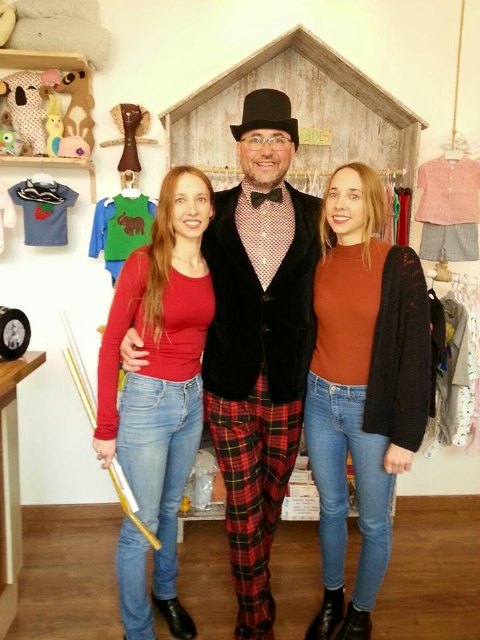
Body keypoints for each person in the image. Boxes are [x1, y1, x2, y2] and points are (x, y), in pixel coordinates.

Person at [120, 88, 321, 640]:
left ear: (292, 148)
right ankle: (255, 619)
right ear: (239, 148)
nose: (266, 149)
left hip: (289, 384)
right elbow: (165, 266)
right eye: (255, 138)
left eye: (276, 139)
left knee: (270, 500)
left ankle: (255, 579)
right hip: (227, 384)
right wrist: (130, 329)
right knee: (243, 503)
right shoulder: (210, 212)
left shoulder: (318, 215)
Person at [303, 162, 430, 640]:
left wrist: (406, 436)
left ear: (373, 203)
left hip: (371, 410)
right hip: (320, 400)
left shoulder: (399, 262)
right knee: (331, 507)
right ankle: (332, 597)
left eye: (353, 195)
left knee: (374, 521)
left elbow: (416, 351)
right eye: (334, 193)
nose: (339, 204)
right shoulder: (318, 259)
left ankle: (360, 613)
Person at [93, 166, 216, 640]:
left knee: (169, 508)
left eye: (200, 199)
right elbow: (111, 345)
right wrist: (106, 427)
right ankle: (138, 630)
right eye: (180, 200)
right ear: (166, 209)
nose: (191, 209)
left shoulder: (212, 266)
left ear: (211, 208)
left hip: (191, 399)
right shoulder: (144, 262)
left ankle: (165, 593)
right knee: (140, 521)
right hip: (147, 401)